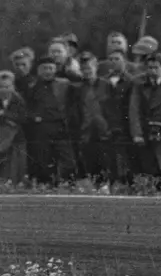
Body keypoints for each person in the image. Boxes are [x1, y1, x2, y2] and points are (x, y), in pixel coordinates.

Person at [129, 52, 161, 191]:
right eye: (149, 68)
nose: (152, 71)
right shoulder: (138, 82)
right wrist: (137, 133)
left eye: (156, 68)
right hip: (146, 130)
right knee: (148, 167)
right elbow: (134, 109)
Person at [25, 55, 76, 185]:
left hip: (61, 126)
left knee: (68, 159)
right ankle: (47, 186)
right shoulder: (32, 87)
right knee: (43, 160)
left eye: (50, 68)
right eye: (44, 68)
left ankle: (67, 185)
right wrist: (34, 117)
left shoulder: (64, 84)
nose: (48, 71)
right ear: (38, 70)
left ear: (55, 69)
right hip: (42, 128)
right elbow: (26, 107)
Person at [67, 51, 110, 183]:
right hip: (86, 134)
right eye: (83, 69)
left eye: (89, 68)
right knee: (90, 167)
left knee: (107, 167)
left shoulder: (106, 85)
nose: (87, 71)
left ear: (96, 67)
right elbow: (74, 113)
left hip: (105, 133)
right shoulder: (76, 89)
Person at [99, 47, 136, 187]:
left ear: (124, 61)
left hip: (125, 127)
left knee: (126, 162)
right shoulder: (103, 81)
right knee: (109, 161)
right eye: (111, 59)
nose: (113, 62)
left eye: (117, 59)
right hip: (108, 126)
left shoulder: (131, 81)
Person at [0, 70, 28, 184]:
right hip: (1, 137)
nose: (4, 90)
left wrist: (4, 114)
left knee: (16, 164)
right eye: (1, 87)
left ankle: (15, 184)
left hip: (16, 137)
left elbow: (23, 117)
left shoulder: (19, 99)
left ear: (13, 86)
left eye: (7, 87)